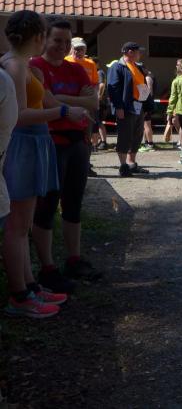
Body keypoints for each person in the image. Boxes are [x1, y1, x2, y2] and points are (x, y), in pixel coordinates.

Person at [2, 11, 84, 317]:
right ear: (39, 37)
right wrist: (62, 112)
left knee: (22, 225)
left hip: (34, 144)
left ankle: (30, 286)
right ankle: (20, 295)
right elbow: (19, 115)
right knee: (18, 225)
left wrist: (63, 108)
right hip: (24, 146)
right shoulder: (14, 65)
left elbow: (44, 100)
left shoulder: (23, 65)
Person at [29, 18, 101, 293]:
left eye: (67, 42)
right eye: (57, 40)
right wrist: (73, 101)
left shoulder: (76, 69)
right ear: (45, 39)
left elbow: (93, 102)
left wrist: (61, 97)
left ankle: (74, 260)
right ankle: (47, 269)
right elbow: (46, 100)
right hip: (51, 142)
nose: (62, 46)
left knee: (73, 202)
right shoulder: (36, 66)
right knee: (47, 205)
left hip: (77, 143)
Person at [107, 42, 151, 177]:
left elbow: (142, 86)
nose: (140, 54)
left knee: (137, 136)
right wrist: (118, 107)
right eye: (138, 51)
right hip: (126, 108)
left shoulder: (137, 67)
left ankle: (131, 163)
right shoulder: (117, 66)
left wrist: (146, 105)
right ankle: (123, 166)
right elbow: (113, 88)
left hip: (139, 107)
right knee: (125, 136)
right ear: (130, 52)